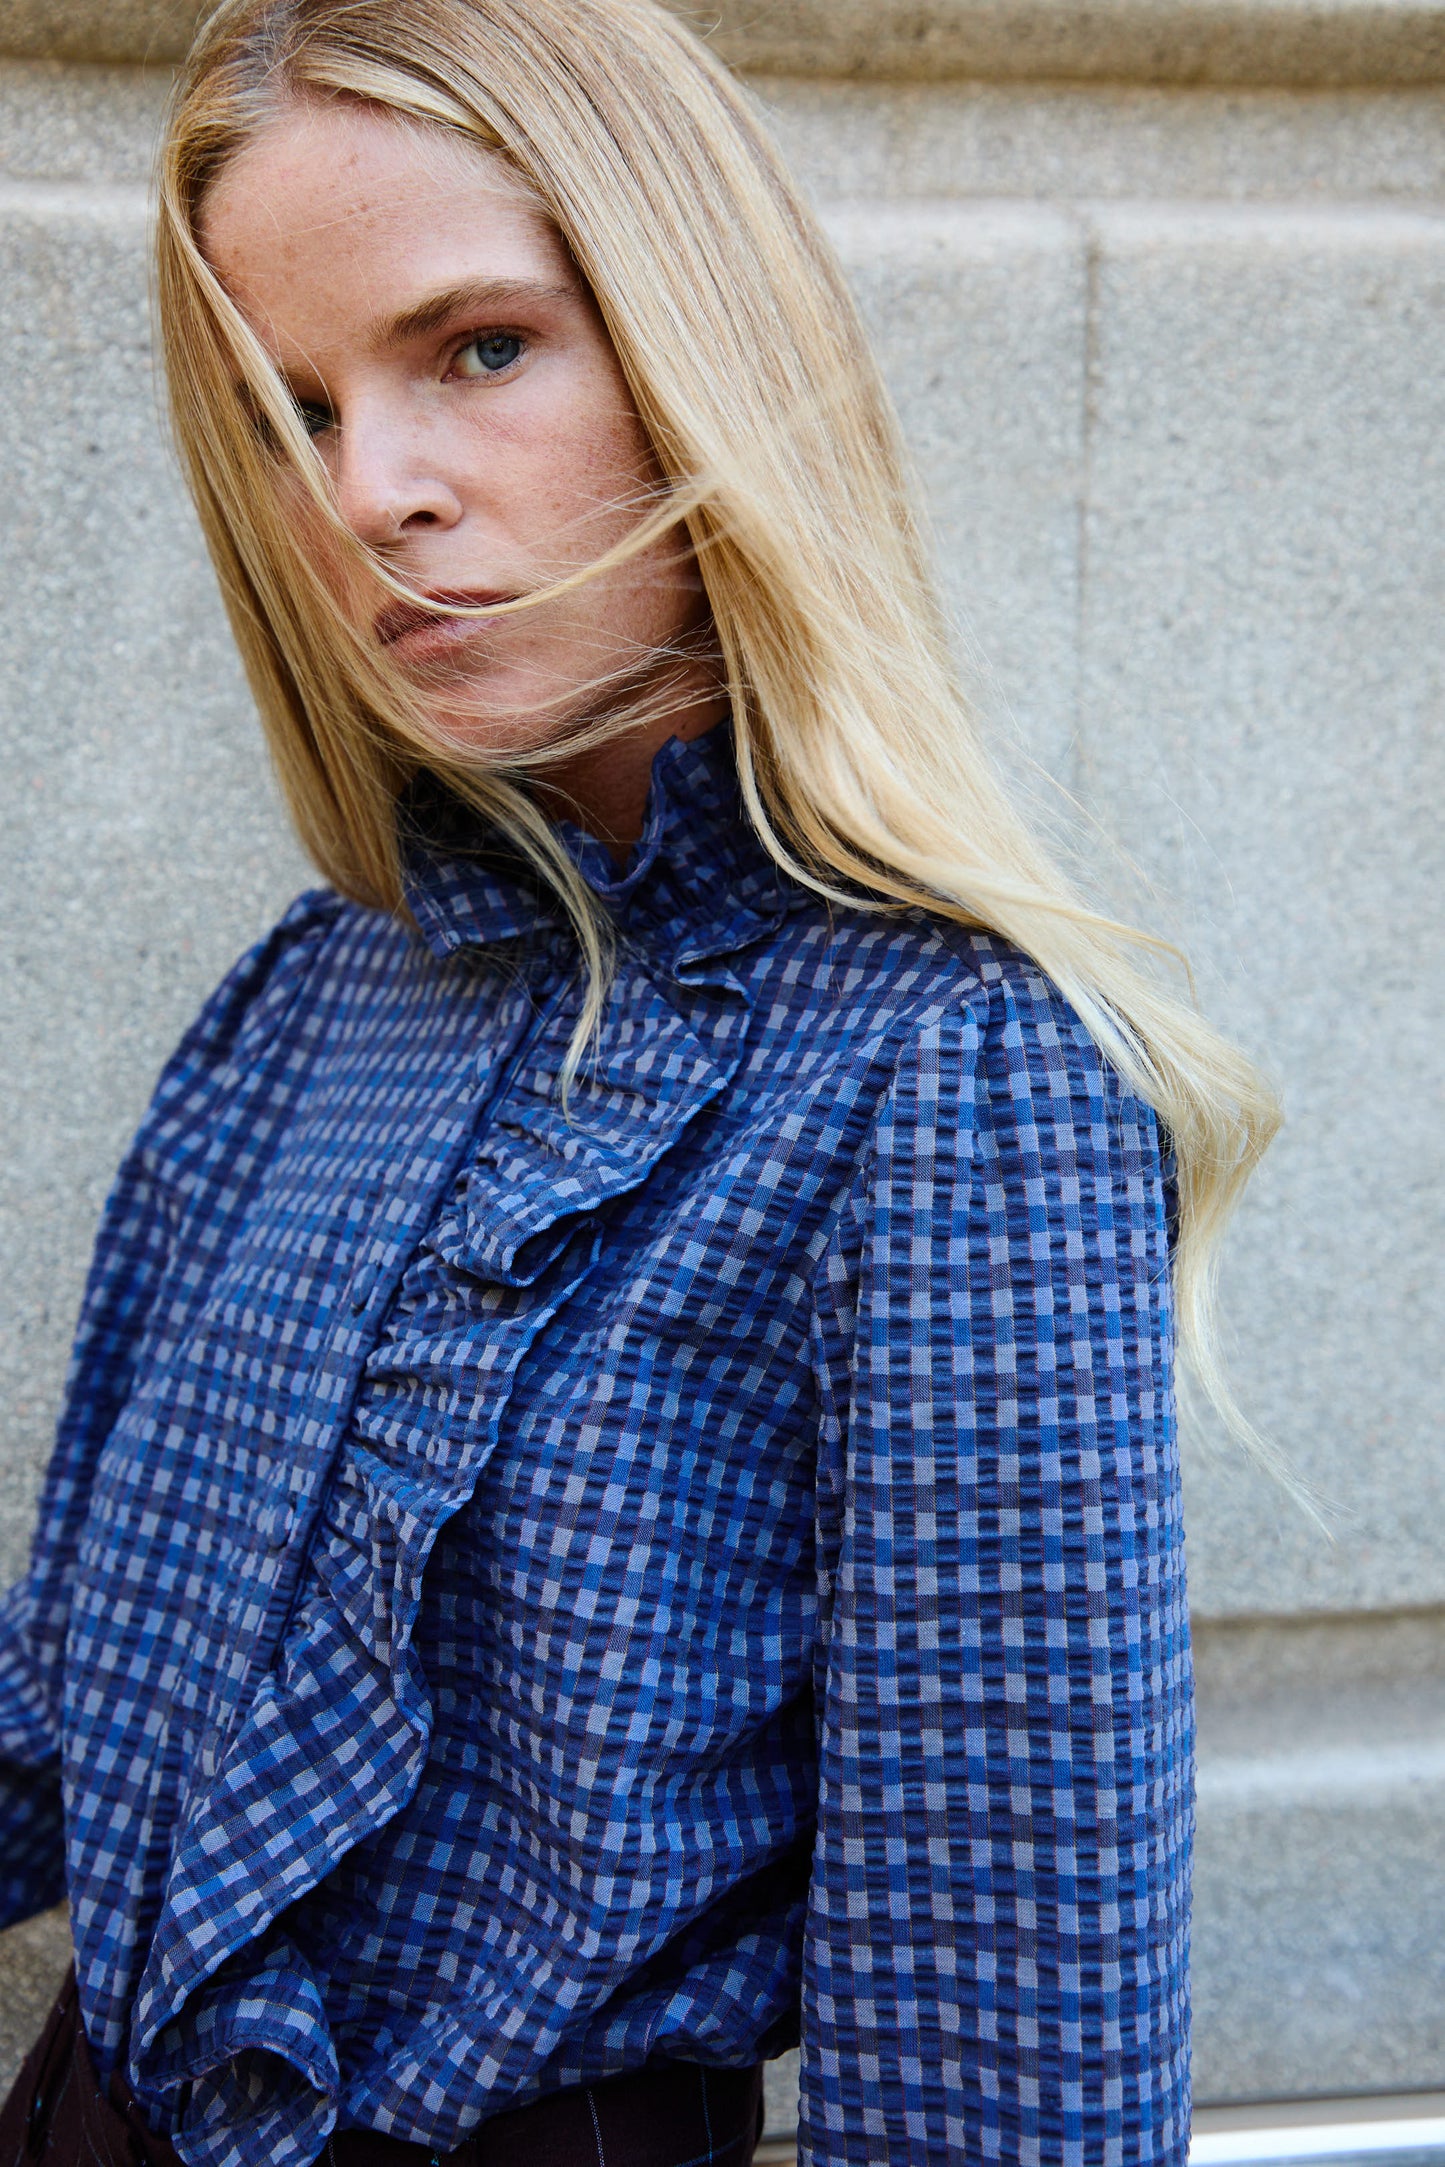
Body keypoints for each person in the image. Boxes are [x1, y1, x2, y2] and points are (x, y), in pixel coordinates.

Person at [0, 1, 1279, 2162]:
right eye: (285, 404)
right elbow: (63, 1722)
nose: (366, 488)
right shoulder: (319, 995)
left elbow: (1005, 2061)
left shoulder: (952, 1080)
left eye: (476, 347)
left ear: (704, 345)